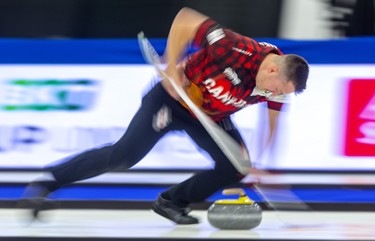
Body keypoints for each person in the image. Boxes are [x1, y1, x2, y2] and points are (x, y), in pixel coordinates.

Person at [19, 7, 309, 225]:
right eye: (275, 89)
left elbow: (272, 124)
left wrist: (263, 163)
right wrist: (171, 67)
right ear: (272, 70)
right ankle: (47, 182)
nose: (273, 94)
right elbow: (185, 18)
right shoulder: (234, 48)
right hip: (172, 100)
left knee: (237, 167)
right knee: (124, 156)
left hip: (210, 115)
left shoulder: (278, 87)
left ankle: (172, 202)